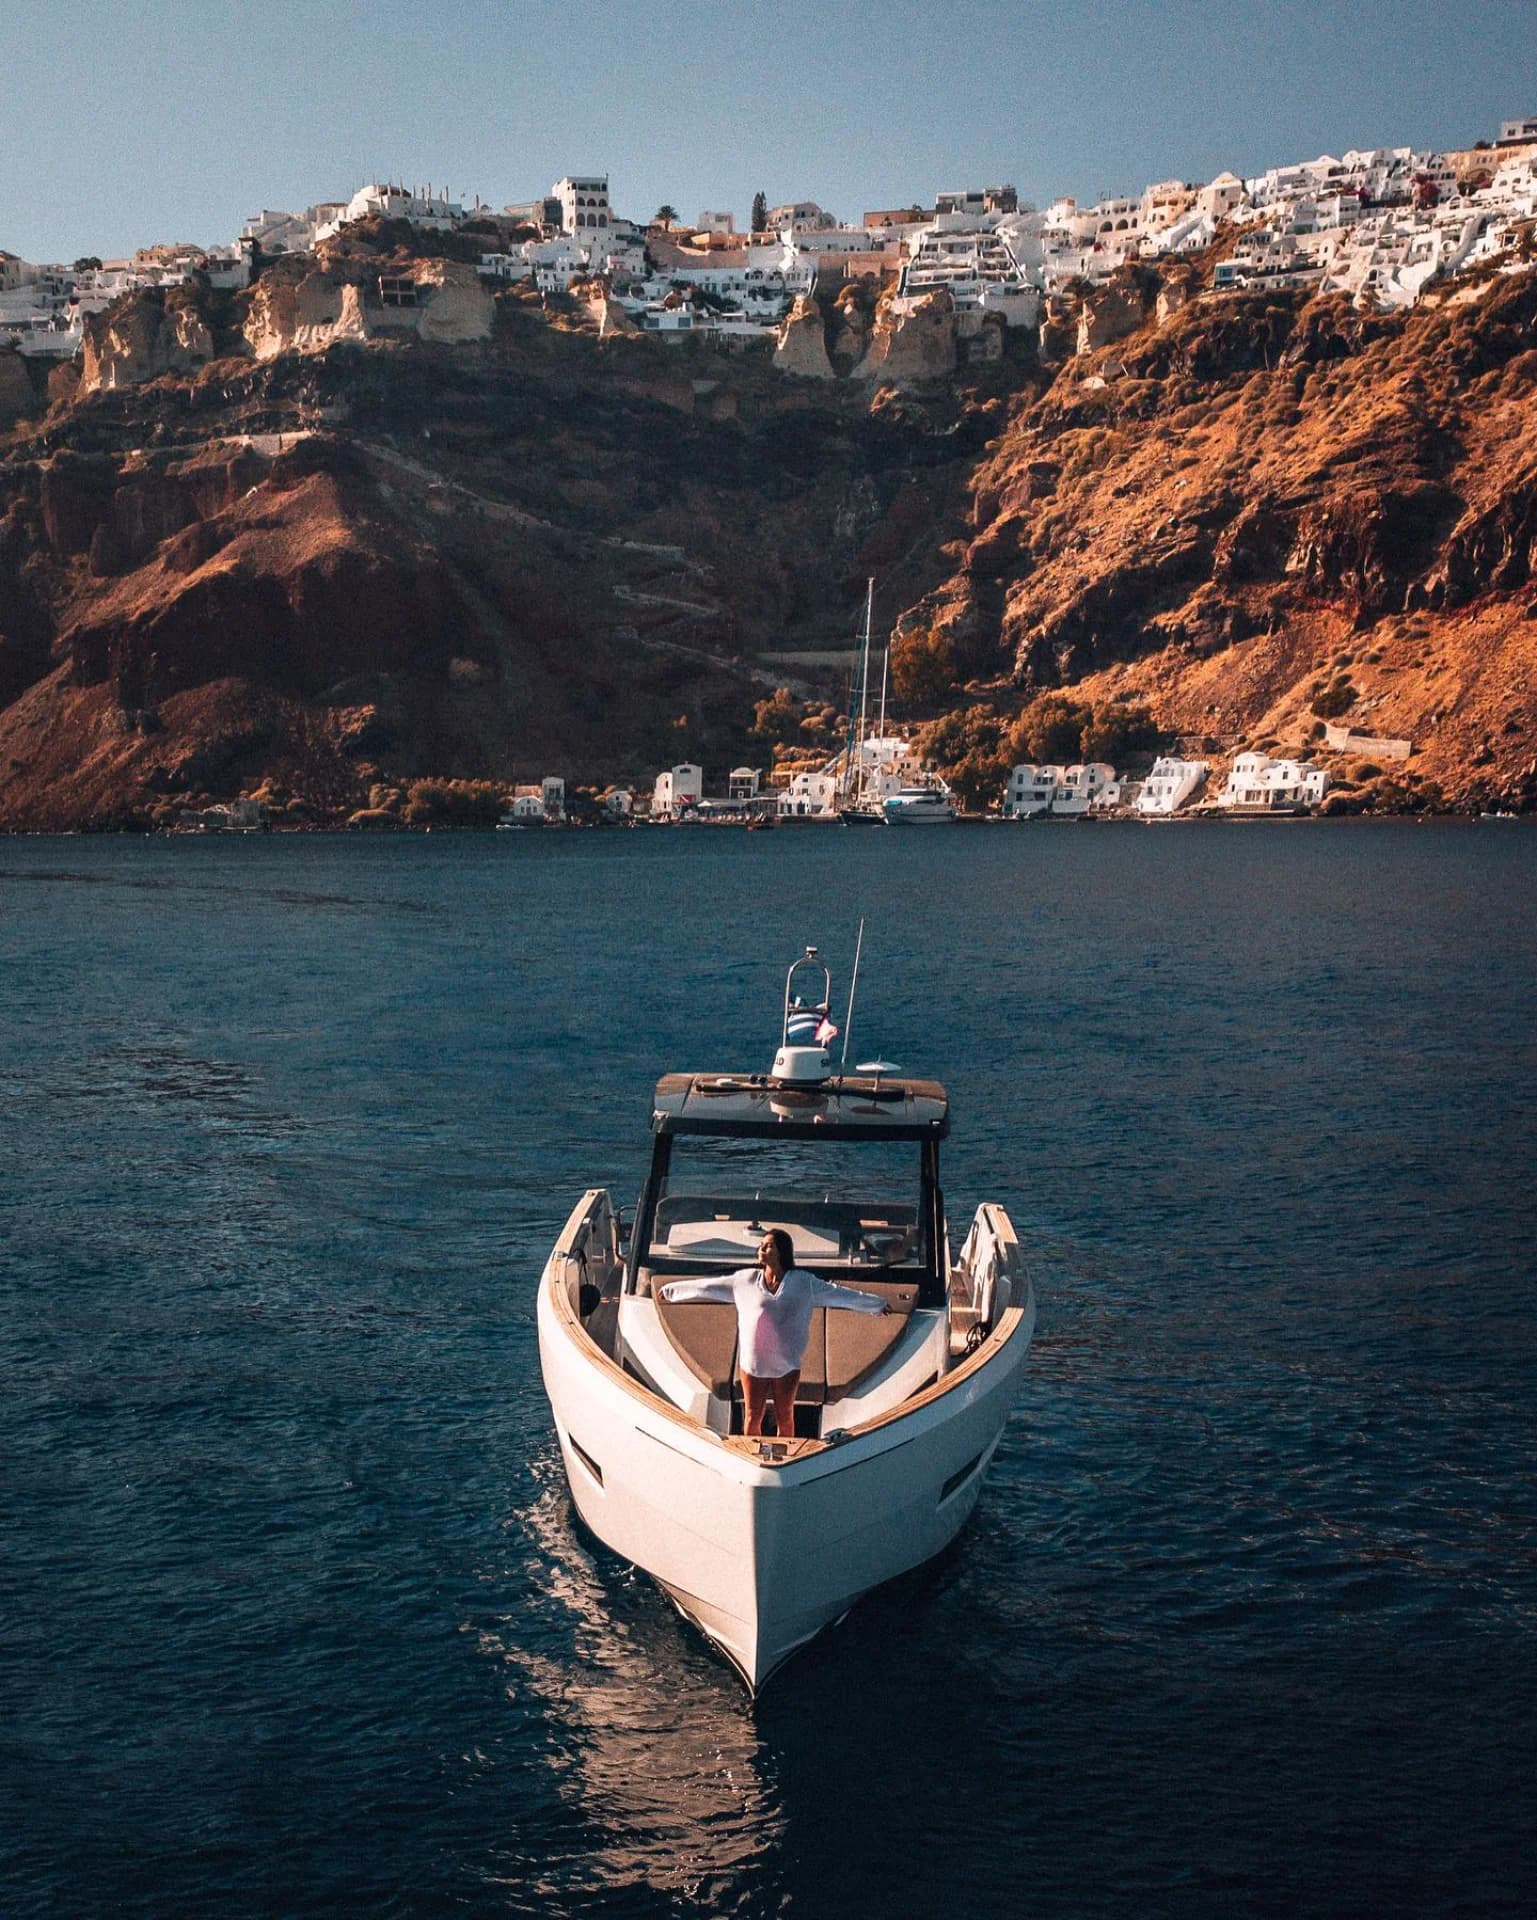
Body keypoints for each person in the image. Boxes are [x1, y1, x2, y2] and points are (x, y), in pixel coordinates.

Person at [660, 1228, 890, 1437]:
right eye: (761, 1245)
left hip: (786, 1364)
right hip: (753, 1364)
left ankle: (785, 1456)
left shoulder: (803, 1282)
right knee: (752, 1416)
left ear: (782, 1250)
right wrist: (671, 1291)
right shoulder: (744, 1280)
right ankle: (751, 1454)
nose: (762, 1248)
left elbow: (840, 1294)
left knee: (785, 1416)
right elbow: (707, 1286)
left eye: (768, 1245)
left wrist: (876, 1304)